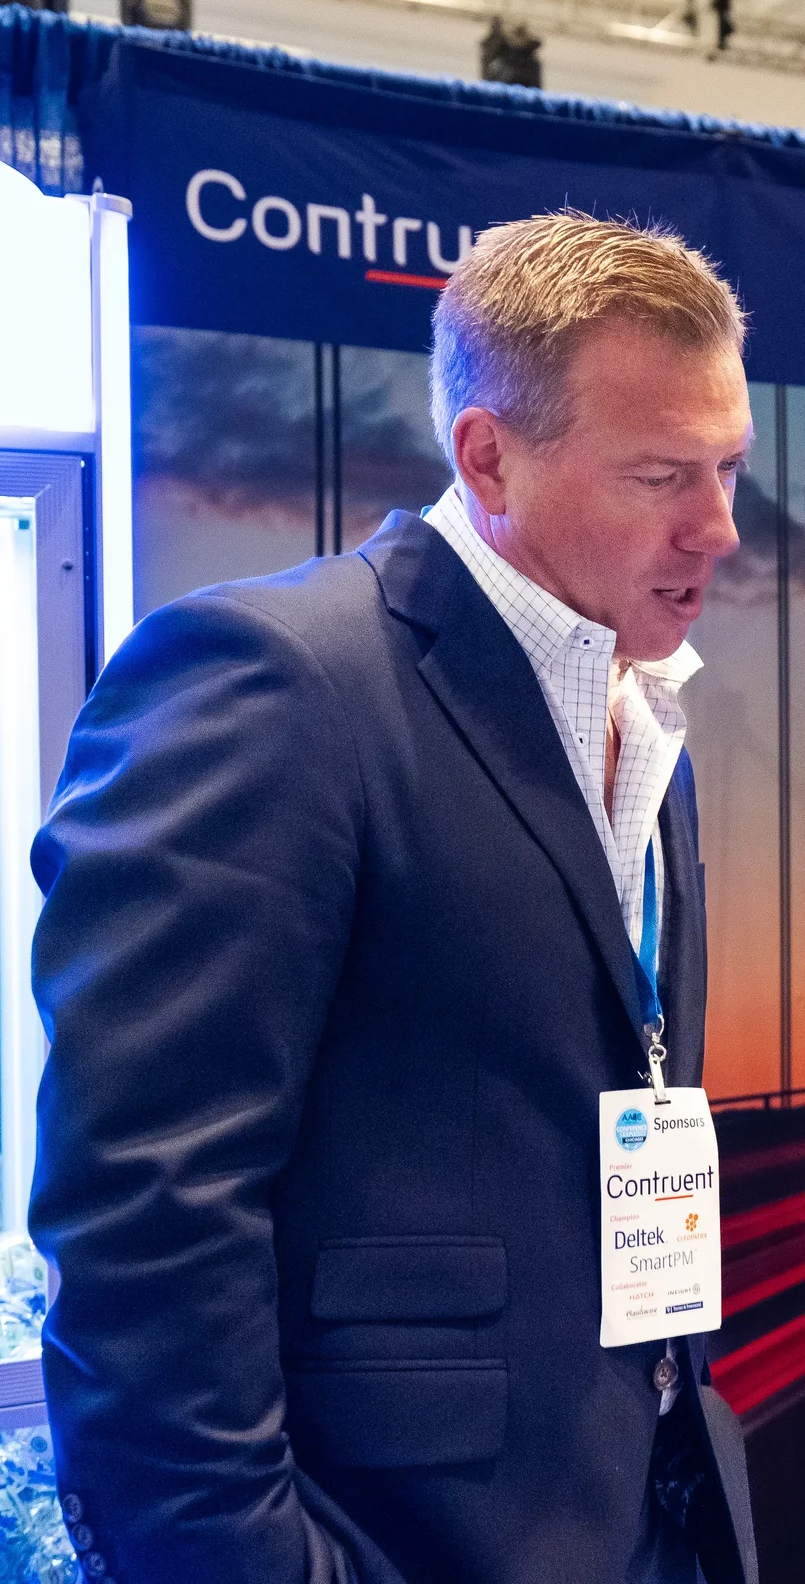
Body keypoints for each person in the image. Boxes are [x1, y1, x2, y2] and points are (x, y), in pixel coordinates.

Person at [28, 214, 757, 1582]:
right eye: (662, 473)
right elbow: (147, 1211)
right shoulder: (274, 678)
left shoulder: (647, 713)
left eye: (728, 468)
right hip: (399, 1538)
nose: (717, 526)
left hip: (645, 1504)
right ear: (488, 455)